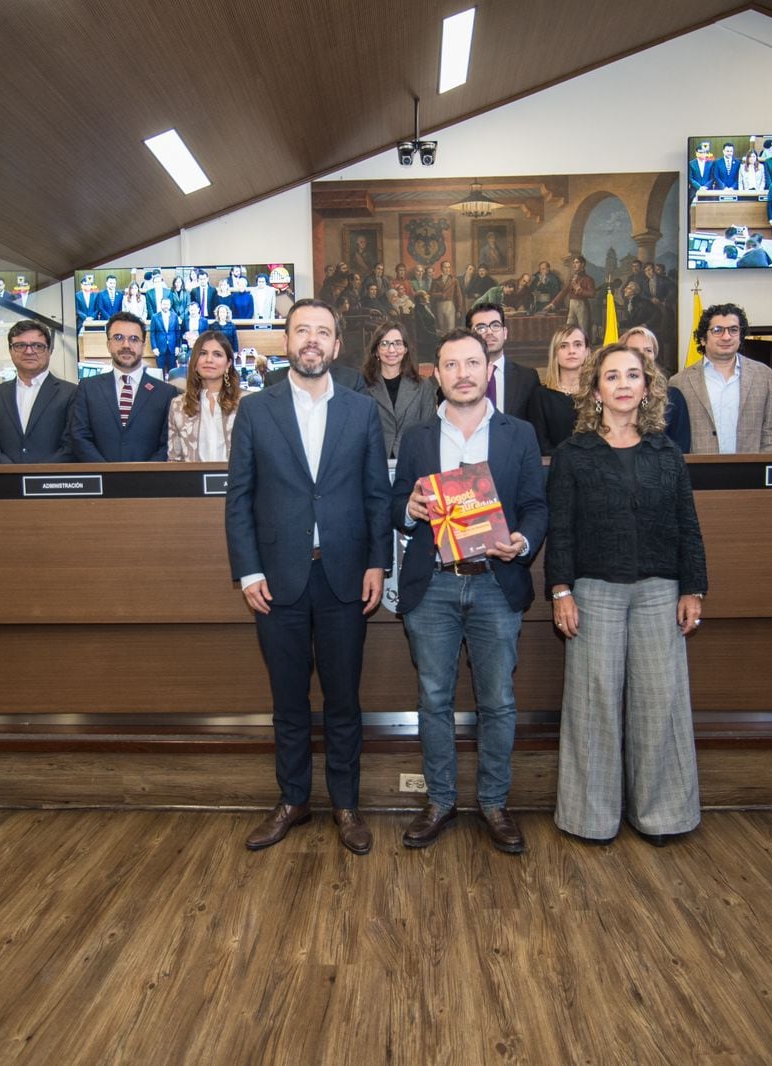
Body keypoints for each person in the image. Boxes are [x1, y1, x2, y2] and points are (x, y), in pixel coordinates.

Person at [226, 299, 392, 855]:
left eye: (323, 332)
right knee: (288, 700)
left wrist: (378, 562)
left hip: (346, 579)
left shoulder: (361, 410)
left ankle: (346, 804)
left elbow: (377, 495)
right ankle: (292, 800)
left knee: (343, 699)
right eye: (303, 331)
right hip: (278, 581)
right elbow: (240, 498)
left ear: (337, 346)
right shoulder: (255, 409)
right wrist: (247, 570)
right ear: (287, 341)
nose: (313, 341)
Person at [392, 328, 548, 853]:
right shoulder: (415, 438)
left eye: (473, 363)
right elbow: (395, 505)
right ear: (436, 373)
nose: (463, 373)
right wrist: (409, 512)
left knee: (499, 701)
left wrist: (523, 541)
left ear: (488, 370)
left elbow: (535, 505)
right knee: (433, 699)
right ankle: (439, 802)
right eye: (451, 365)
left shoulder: (518, 433)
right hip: (432, 587)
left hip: (494, 585)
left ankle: (494, 804)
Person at [546, 342, 706, 845]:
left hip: (661, 590)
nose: (622, 384)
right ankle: (590, 819)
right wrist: (560, 590)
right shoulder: (574, 454)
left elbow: (688, 525)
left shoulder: (667, 452)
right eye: (611, 376)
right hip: (594, 590)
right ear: (595, 390)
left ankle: (663, 816)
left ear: (647, 386)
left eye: (632, 375)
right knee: (592, 706)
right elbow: (562, 528)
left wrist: (693, 588)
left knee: (662, 702)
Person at [70, 312, 178, 462]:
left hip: (149, 481)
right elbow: (79, 437)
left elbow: (168, 444)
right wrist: (107, 473)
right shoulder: (88, 388)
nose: (126, 345)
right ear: (108, 344)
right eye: (118, 338)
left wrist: (142, 475)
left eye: (134, 339)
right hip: (102, 480)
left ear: (143, 345)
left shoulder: (165, 393)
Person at [670, 302, 772, 454]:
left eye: (733, 330)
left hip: (750, 472)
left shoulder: (763, 376)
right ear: (702, 338)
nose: (726, 337)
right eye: (717, 330)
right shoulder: (680, 382)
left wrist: (763, 469)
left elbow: (769, 432)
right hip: (700, 473)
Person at [0, 321, 76, 463]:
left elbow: (72, 445)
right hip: (6, 480)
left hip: (52, 481)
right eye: (20, 345)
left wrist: (38, 475)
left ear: (49, 350)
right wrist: (13, 473)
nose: (29, 351)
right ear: (11, 350)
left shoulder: (71, 393)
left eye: (38, 346)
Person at [466, 303, 543, 443]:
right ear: (469, 336)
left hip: (514, 460)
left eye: (495, 325)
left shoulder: (527, 378)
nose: (489, 332)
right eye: (481, 327)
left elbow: (535, 431)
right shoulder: (460, 378)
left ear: (505, 332)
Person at [361, 320, 435, 459]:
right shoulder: (362, 385)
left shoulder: (423, 386)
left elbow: (429, 431)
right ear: (376, 351)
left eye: (398, 343)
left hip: (413, 460)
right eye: (384, 344)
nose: (391, 350)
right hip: (374, 461)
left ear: (406, 349)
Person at [167, 332, 240, 462]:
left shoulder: (245, 403)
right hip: (193, 481)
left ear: (228, 363)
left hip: (235, 481)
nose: (209, 360)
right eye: (203, 353)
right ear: (194, 362)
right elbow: (174, 460)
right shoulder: (178, 405)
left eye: (217, 354)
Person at [622, 327, 691, 453]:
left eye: (648, 350)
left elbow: (681, 449)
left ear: (655, 355)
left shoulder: (673, 397)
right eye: (634, 350)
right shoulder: (609, 394)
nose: (642, 355)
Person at [529, 325, 589, 455]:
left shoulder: (597, 393)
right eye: (563, 346)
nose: (571, 351)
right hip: (553, 468)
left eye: (577, 344)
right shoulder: (541, 396)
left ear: (586, 351)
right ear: (555, 353)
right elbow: (540, 444)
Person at [430, 260, 464, 334]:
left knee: (450, 328)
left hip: (450, 305)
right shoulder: (436, 281)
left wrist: (459, 310)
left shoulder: (454, 280)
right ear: (441, 268)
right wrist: (441, 295)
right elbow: (432, 294)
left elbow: (459, 295)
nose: (447, 269)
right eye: (445, 267)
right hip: (439, 306)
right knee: (442, 328)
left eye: (449, 267)